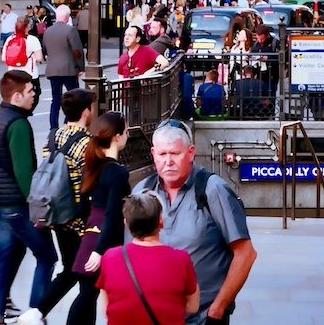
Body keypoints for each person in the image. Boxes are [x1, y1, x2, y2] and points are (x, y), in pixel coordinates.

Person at [133, 122, 256, 324]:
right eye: (162, 155)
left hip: (203, 316)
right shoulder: (142, 191)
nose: (168, 161)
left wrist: (218, 309)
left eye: (175, 154)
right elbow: (131, 250)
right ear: (153, 154)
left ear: (191, 153)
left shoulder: (213, 190)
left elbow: (246, 254)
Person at [0, 70, 58, 324]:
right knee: (47, 257)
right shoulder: (18, 125)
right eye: (30, 91)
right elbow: (25, 173)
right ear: (16, 96)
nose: (34, 94)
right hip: (18, 205)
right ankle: (37, 313)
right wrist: (39, 209)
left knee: (4, 259)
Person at [18, 89, 95, 325]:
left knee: (71, 269)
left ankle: (36, 312)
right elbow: (85, 184)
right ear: (86, 112)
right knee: (88, 282)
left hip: (57, 216)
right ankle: (42, 313)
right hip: (79, 220)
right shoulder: (87, 144)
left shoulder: (53, 137)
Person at [67, 111, 132, 323]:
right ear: (117, 136)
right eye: (127, 131)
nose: (128, 135)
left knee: (88, 293)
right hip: (105, 242)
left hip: (90, 234)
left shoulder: (93, 166)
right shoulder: (118, 173)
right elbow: (113, 214)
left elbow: (83, 206)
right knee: (92, 295)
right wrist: (99, 251)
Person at [98, 192, 199, 325]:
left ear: (126, 224)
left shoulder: (110, 257)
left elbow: (106, 310)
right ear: (161, 223)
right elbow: (193, 307)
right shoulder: (181, 259)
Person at [42, 4, 85, 131]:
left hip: (53, 69)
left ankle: (53, 127)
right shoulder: (70, 30)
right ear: (67, 17)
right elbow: (77, 51)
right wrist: (81, 67)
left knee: (55, 100)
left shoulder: (48, 31)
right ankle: (68, 123)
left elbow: (45, 49)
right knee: (74, 98)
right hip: (69, 70)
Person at [2, 18, 45, 95]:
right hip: (30, 75)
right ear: (27, 27)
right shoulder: (33, 40)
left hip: (12, 75)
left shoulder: (10, 39)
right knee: (31, 99)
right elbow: (39, 58)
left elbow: (4, 58)